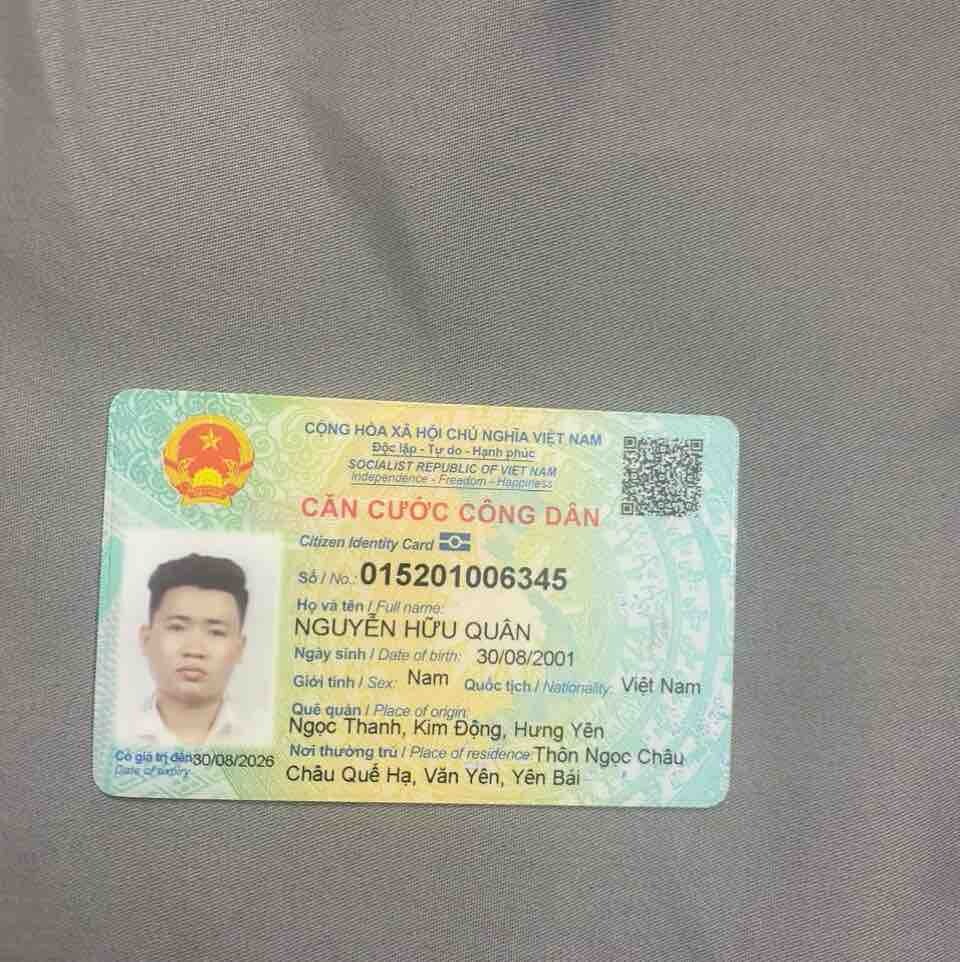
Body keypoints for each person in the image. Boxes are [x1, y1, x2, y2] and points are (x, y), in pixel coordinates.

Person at [133, 553, 264, 746]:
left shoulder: (262, 737)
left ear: (239, 649)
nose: (194, 650)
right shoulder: (111, 732)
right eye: (177, 627)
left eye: (216, 632)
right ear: (146, 639)